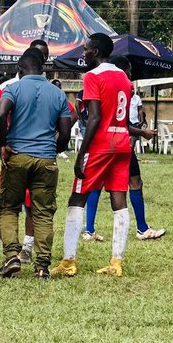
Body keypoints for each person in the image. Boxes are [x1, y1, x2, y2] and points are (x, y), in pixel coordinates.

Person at [52, 33, 132, 278]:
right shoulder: (124, 78)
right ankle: (116, 262)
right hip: (122, 142)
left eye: (85, 49)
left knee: (77, 198)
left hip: (100, 144)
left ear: (95, 52)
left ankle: (68, 261)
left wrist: (81, 153)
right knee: (119, 201)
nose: (82, 53)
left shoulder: (92, 76)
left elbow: (95, 117)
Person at [0, 47, 74, 278]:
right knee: (43, 213)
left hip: (17, 155)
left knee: (8, 207)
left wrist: (4, 143)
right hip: (46, 158)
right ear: (43, 67)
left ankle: (11, 257)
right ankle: (42, 267)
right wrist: (53, 149)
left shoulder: (13, 88)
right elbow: (65, 132)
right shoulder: (57, 93)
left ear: (20, 67)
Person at [84, 56, 166, 242]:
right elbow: (121, 122)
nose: (130, 75)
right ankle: (142, 228)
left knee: (97, 184)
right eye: (129, 70)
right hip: (120, 143)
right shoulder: (125, 87)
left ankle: (89, 230)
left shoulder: (102, 85)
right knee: (134, 183)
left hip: (103, 143)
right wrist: (142, 133)